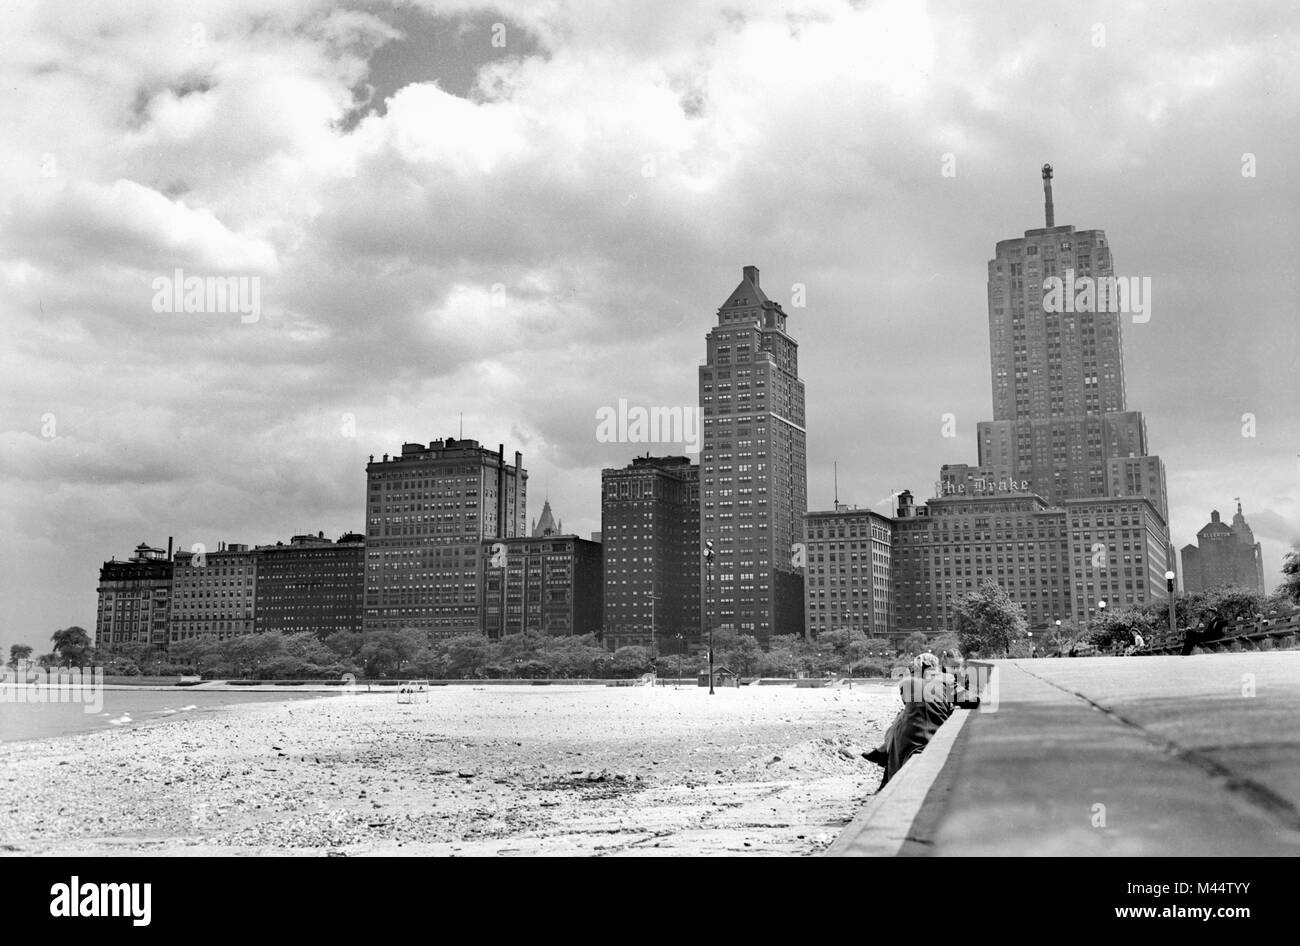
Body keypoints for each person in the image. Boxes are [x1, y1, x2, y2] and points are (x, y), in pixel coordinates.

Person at [862, 652, 977, 787]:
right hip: (935, 734)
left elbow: (912, 706)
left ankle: (884, 776)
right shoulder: (947, 679)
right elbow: (972, 701)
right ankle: (882, 754)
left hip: (906, 739)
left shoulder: (907, 683)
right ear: (936, 666)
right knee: (902, 716)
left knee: (901, 717)